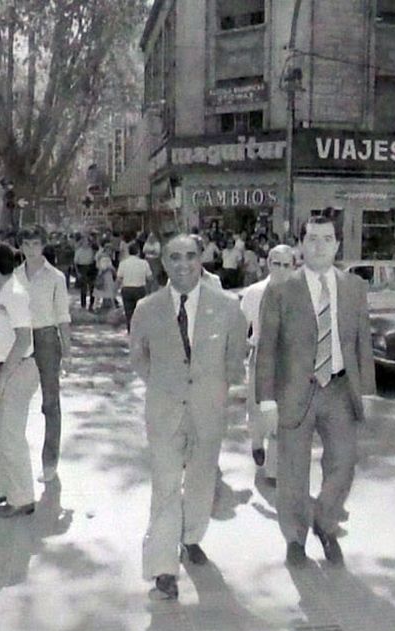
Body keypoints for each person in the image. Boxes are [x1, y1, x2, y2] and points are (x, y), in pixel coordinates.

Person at [130, 234, 248, 601]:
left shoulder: (228, 306)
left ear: (202, 260)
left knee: (200, 482)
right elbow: (140, 359)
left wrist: (211, 391)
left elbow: (235, 360)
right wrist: (167, 388)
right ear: (162, 262)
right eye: (174, 257)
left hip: (208, 410)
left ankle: (192, 537)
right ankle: (163, 569)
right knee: (165, 488)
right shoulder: (147, 308)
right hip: (165, 411)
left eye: (190, 256)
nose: (183, 264)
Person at [255, 214, 377, 567]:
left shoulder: (354, 288)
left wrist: (366, 393)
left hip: (339, 389)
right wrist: (266, 400)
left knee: (344, 463)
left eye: (326, 239)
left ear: (338, 244)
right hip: (295, 392)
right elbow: (267, 349)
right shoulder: (281, 289)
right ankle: (295, 537)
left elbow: (362, 344)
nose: (319, 246)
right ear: (301, 245)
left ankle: (325, 522)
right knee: (293, 470)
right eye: (312, 239)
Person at [0, 240, 41, 517]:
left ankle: (22, 498)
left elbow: (24, 338)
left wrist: (3, 374)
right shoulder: (0, 292)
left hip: (17, 369)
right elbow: (1, 335)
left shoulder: (14, 293)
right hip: (0, 368)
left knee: (10, 435)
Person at [16, 227, 72, 484]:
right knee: (17, 401)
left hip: (47, 338)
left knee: (50, 402)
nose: (30, 249)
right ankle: (16, 465)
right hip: (20, 338)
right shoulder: (14, 275)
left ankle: (50, 462)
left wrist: (68, 351)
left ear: (43, 245)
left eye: (35, 244)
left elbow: (63, 316)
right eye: (26, 244)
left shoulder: (55, 277)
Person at [239, 244, 294, 485]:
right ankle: (256, 443)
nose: (281, 269)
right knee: (256, 410)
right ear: (268, 264)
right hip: (259, 357)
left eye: (286, 265)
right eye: (277, 264)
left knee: (279, 416)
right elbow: (242, 327)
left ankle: (273, 469)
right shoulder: (254, 292)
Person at [116, 242, 153, 332]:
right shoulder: (144, 263)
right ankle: (140, 332)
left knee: (129, 313)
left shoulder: (123, 263)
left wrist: (116, 290)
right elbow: (150, 278)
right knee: (141, 313)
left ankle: (131, 331)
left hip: (127, 289)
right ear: (138, 252)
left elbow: (119, 278)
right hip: (140, 289)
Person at [74, 234, 98, 310]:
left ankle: (91, 304)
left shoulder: (91, 250)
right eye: (84, 241)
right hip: (82, 268)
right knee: (83, 288)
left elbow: (94, 259)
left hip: (90, 268)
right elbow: (75, 263)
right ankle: (83, 305)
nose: (85, 243)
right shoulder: (78, 251)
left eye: (87, 241)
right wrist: (77, 273)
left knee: (92, 288)